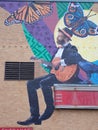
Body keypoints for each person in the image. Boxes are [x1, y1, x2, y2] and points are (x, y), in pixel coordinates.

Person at [17, 27, 98, 126]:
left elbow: (75, 58)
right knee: (31, 83)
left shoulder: (71, 48)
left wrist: (61, 62)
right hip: (55, 74)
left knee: (44, 83)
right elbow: (53, 65)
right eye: (58, 34)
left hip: (66, 77)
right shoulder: (57, 50)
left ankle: (49, 108)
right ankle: (34, 116)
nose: (58, 36)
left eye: (61, 35)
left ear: (67, 38)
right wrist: (41, 61)